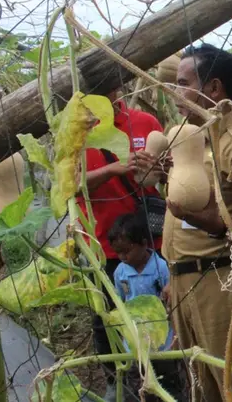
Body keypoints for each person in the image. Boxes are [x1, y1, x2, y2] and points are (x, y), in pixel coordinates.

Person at [155, 43, 232, 401]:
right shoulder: (185, 138)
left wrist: (215, 221)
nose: (175, 92)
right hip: (185, 279)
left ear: (213, 88)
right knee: (201, 385)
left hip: (225, 282)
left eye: (183, 82)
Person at [78, 90, 165, 401]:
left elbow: (167, 174)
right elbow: (70, 185)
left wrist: (157, 169)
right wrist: (113, 169)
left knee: (156, 313)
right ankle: (118, 384)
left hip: (149, 245)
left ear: (118, 88)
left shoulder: (145, 122)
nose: (107, 93)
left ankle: (159, 378)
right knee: (106, 320)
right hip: (101, 247)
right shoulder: (79, 130)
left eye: (110, 86)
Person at [109, 213, 186, 401]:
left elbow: (174, 306)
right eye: (118, 252)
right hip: (134, 340)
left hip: (163, 340)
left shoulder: (162, 268)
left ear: (144, 243)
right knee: (140, 383)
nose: (122, 257)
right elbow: (121, 303)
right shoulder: (120, 272)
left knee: (169, 381)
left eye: (126, 251)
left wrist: (176, 336)